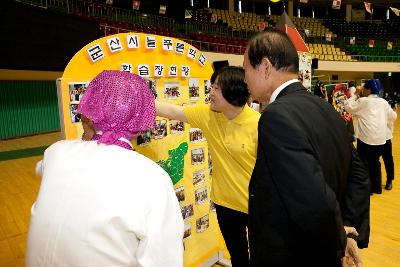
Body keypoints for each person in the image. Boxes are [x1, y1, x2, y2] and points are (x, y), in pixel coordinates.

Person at [26, 70, 184, 267]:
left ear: (91, 108)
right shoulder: (153, 178)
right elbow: (164, 259)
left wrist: (90, 133)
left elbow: (47, 169)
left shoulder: (56, 153)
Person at [243, 28, 368, 267]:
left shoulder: (275, 117)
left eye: (247, 67)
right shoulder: (324, 107)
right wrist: (349, 231)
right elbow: (359, 175)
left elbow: (313, 200)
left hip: (295, 254)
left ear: (266, 67)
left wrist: (339, 244)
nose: (245, 77)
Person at [156, 66, 260, 267]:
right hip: (224, 204)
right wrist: (134, 97)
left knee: (261, 257)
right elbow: (171, 110)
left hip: (256, 206)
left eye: (217, 88)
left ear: (233, 92)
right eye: (211, 86)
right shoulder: (208, 114)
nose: (210, 92)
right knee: (238, 257)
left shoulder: (258, 124)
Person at [344, 79, 397, 194]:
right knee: (376, 163)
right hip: (380, 139)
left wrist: (356, 94)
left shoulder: (363, 101)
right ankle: (377, 188)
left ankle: (368, 189)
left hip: (366, 139)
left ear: (368, 89)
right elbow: (393, 116)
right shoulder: (383, 102)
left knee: (364, 163)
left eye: (364, 89)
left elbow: (347, 106)